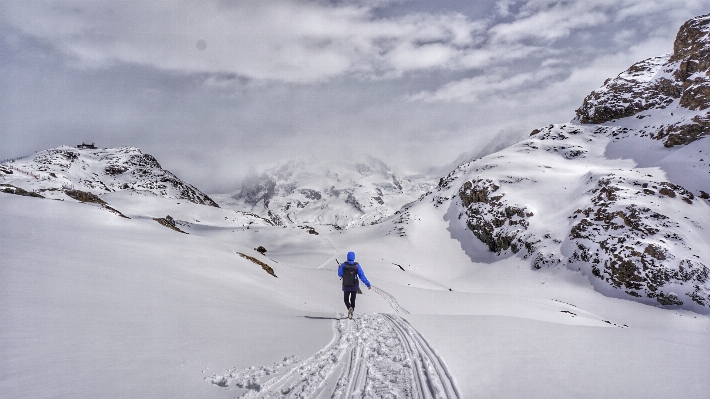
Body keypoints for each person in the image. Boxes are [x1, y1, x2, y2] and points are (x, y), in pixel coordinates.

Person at [338, 251, 371, 319]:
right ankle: (351, 312)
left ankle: (349, 307)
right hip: (354, 285)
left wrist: (339, 267)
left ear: (347, 257)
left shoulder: (344, 265)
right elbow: (362, 276)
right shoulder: (356, 265)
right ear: (354, 257)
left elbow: (340, 274)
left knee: (346, 300)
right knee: (353, 300)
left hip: (346, 285)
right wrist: (368, 284)